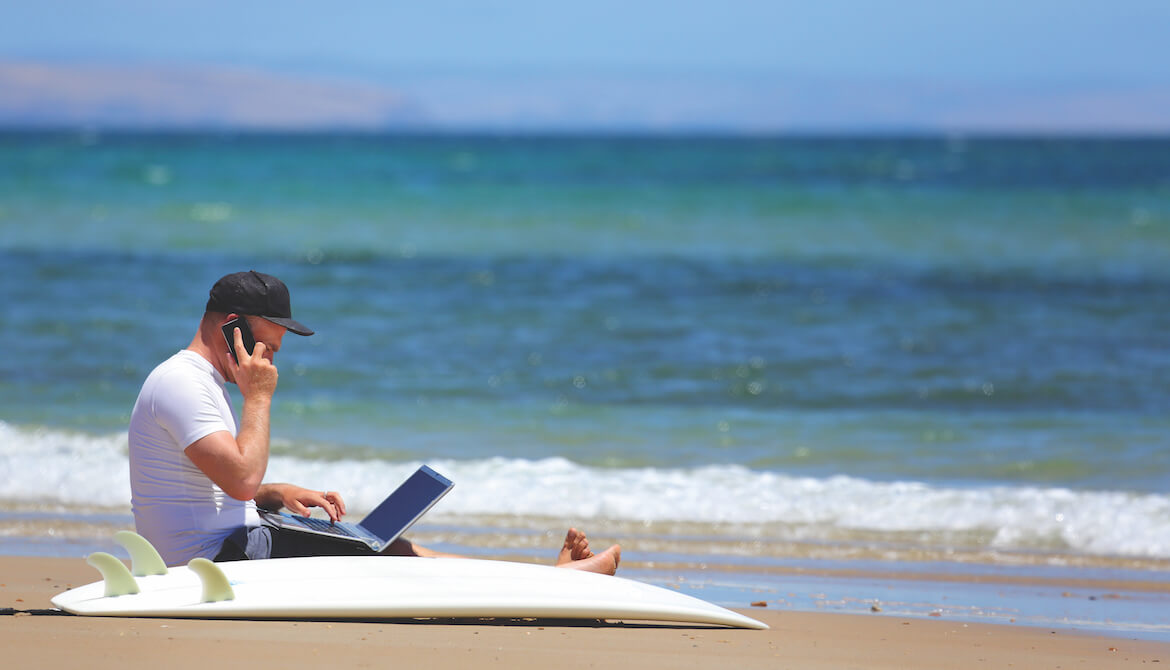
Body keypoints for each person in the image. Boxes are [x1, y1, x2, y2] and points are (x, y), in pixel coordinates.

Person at [128, 270, 620, 574]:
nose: (270, 362)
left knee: (383, 544)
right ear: (230, 325)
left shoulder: (200, 381)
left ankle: (537, 580)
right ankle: (547, 583)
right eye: (266, 347)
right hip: (219, 561)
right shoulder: (185, 383)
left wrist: (275, 493)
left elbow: (202, 488)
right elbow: (238, 479)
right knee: (391, 555)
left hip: (231, 542)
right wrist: (258, 397)